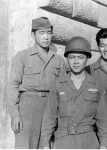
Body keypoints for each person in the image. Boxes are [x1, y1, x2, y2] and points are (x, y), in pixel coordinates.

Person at [40, 36, 107, 149]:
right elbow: (49, 117)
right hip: (64, 142)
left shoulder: (96, 85)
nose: (76, 62)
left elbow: (102, 120)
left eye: (80, 57)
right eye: (72, 57)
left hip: (89, 142)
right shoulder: (58, 84)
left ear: (87, 59)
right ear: (67, 59)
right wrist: (45, 145)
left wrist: (103, 145)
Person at [7, 17, 65, 149]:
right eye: (41, 32)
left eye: (49, 32)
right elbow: (12, 86)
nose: (46, 37)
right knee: (25, 145)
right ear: (33, 35)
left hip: (50, 108)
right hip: (28, 108)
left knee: (47, 144)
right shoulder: (22, 57)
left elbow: (63, 89)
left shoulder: (58, 60)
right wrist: (15, 114)